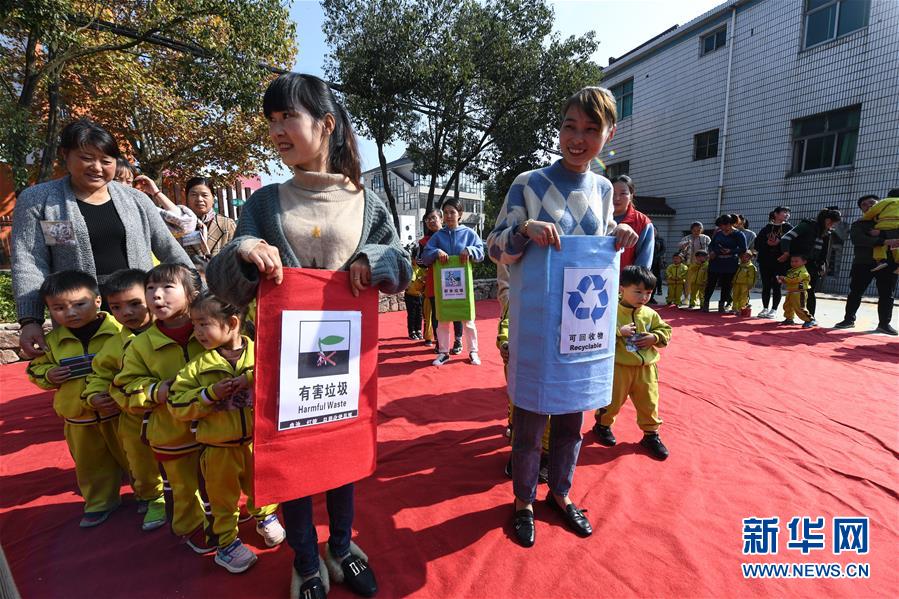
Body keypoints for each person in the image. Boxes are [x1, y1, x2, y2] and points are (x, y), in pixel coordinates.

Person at [206, 72, 410, 599]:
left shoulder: (365, 202)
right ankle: (305, 560)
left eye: (287, 117)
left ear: (326, 124)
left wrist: (376, 258)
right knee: (291, 460)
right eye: (271, 120)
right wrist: (245, 252)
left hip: (346, 359)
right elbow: (223, 279)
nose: (276, 130)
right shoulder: (265, 203)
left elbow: (401, 265)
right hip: (284, 359)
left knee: (340, 452)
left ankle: (341, 548)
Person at [487, 86, 638, 548]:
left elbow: (596, 245)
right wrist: (523, 230)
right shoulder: (527, 183)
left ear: (609, 134)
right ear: (558, 129)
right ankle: (523, 501)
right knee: (531, 423)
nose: (578, 137)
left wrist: (620, 232)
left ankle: (562, 492)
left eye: (591, 129)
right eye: (570, 126)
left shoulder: (602, 188)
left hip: (582, 331)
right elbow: (494, 246)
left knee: (572, 424)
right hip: (537, 324)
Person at [12, 118, 194, 358]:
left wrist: (195, 292)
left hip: (138, 310)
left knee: (145, 377)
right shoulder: (38, 200)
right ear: (65, 155)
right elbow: (29, 262)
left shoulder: (136, 200)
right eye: (87, 158)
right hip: (79, 317)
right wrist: (30, 319)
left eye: (106, 161)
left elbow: (169, 250)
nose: (97, 167)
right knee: (90, 386)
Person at [169, 292, 284, 574]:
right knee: (222, 499)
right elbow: (176, 403)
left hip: (257, 443)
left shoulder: (262, 353)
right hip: (218, 449)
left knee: (264, 485)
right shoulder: (197, 367)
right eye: (194, 325)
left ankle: (265, 516)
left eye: (202, 324)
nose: (196, 333)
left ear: (232, 322)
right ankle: (226, 543)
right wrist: (208, 395)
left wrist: (252, 379)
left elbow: (281, 383)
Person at [114, 264, 213, 554]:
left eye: (167, 287)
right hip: (171, 434)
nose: (157, 296)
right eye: (150, 289)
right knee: (181, 487)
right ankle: (190, 528)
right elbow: (123, 388)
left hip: (215, 430)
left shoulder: (209, 333)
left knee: (218, 480)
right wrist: (159, 391)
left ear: (192, 295)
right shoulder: (140, 345)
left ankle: (224, 523)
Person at [26, 270, 128, 527]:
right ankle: (99, 502)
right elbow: (34, 370)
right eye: (59, 308)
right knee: (89, 462)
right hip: (78, 417)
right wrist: (50, 374)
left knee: (134, 455)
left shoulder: (119, 333)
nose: (70, 313)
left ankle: (150, 496)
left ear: (97, 301)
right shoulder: (53, 342)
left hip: (118, 412)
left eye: (78, 304)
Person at [83, 268, 166, 532]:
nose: (126, 313)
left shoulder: (170, 333)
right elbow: (100, 373)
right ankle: (153, 499)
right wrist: (94, 395)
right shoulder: (113, 345)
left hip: (174, 414)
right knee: (140, 463)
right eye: (116, 307)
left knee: (184, 461)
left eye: (134, 304)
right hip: (134, 418)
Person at [594, 266, 673, 460]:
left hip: (646, 369)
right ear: (621, 288)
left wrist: (654, 337)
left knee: (649, 402)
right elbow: (598, 333)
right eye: (638, 291)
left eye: (648, 293)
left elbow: (665, 330)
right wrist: (619, 331)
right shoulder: (609, 310)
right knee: (612, 401)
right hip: (619, 367)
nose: (643, 297)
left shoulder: (649, 314)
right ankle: (602, 425)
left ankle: (651, 435)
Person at [419, 197, 485, 367]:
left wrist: (469, 250)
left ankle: (473, 351)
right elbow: (425, 256)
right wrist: (436, 252)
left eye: (452, 212)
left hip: (464, 286)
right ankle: (443, 352)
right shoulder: (437, 236)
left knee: (468, 320)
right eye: (446, 212)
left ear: (460, 214)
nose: (448, 216)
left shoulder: (469, 234)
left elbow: (481, 253)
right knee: (443, 320)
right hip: (444, 287)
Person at [834, 195, 899, 335]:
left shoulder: (893, 221)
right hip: (863, 262)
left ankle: (884, 324)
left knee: (887, 294)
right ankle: (848, 320)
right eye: (864, 205)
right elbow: (859, 240)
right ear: (862, 210)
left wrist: (881, 234)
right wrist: (885, 241)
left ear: (880, 205)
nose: (868, 206)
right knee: (856, 292)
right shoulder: (859, 224)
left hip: (888, 263)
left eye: (872, 203)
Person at [778, 208, 842, 317]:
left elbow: (824, 252)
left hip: (813, 266)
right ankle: (789, 317)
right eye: (831, 222)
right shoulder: (806, 225)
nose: (831, 225)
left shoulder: (827, 233)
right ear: (825, 219)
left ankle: (810, 318)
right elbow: (786, 238)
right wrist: (786, 253)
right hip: (798, 265)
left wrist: (823, 265)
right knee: (794, 291)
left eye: (834, 224)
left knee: (810, 291)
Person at [417, 208, 463, 351]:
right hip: (434, 280)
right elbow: (420, 261)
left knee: (456, 310)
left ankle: (458, 340)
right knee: (437, 314)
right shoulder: (423, 241)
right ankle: (440, 342)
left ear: (441, 219)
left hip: (453, 280)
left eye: (433, 218)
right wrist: (435, 254)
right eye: (427, 219)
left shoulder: (451, 235)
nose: (431, 221)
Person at [131, 173, 199, 240]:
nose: (199, 199)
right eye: (120, 181)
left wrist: (156, 192)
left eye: (128, 181)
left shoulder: (144, 211)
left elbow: (184, 224)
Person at [183, 176, 237, 259]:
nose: (199, 199)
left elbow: (236, 255)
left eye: (204, 195)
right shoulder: (180, 224)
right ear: (186, 197)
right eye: (194, 195)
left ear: (213, 198)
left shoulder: (227, 224)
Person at [702, 214, 747, 312]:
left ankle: (722, 304)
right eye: (720, 226)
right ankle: (705, 303)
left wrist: (730, 251)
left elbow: (743, 248)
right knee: (711, 283)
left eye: (724, 225)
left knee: (726, 285)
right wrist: (712, 252)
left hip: (730, 262)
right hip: (716, 261)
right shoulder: (718, 233)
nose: (722, 227)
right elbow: (711, 245)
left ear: (730, 224)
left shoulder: (738, 234)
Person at [753, 206, 792, 318]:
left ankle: (774, 309)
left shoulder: (789, 228)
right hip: (765, 261)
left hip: (780, 262)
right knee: (766, 285)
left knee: (777, 285)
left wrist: (779, 243)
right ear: (776, 214)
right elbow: (758, 243)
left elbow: (794, 243)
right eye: (784, 212)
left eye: (788, 213)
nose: (787, 214)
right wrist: (767, 243)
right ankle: (765, 308)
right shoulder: (766, 228)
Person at [610, 174, 654, 270]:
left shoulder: (643, 222)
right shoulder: (597, 218)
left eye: (623, 193)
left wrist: (630, 283)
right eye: (612, 193)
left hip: (627, 283)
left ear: (631, 195)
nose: (617, 198)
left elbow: (643, 264)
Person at [863, 190, 899, 274]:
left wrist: (864, 218)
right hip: (897, 226)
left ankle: (881, 261)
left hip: (885, 225)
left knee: (879, 244)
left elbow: (873, 210)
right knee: (896, 245)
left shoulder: (886, 201)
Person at [777, 255, 816, 327]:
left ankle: (809, 320)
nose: (793, 263)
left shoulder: (803, 272)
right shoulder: (791, 271)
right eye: (792, 261)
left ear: (804, 262)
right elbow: (789, 280)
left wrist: (784, 278)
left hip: (799, 292)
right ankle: (789, 319)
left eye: (796, 261)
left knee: (800, 307)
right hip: (791, 291)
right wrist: (782, 280)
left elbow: (795, 280)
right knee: (787, 306)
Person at [678, 221, 711, 299]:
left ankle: (700, 298)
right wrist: (684, 245)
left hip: (703, 264)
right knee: (688, 281)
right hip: (690, 263)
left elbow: (710, 250)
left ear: (702, 230)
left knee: (701, 282)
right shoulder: (686, 238)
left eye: (698, 230)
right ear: (691, 230)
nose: (696, 232)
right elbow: (680, 247)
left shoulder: (706, 238)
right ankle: (686, 297)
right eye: (694, 230)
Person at [731, 251, 758, 315]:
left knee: (743, 297)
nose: (743, 258)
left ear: (750, 258)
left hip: (745, 284)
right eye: (742, 257)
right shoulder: (739, 265)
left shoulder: (751, 267)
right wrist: (733, 281)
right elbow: (736, 274)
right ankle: (734, 308)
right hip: (737, 283)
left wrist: (750, 285)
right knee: (735, 296)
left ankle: (741, 309)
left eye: (746, 257)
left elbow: (751, 277)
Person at [650, 234, 666, 303]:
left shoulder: (660, 240)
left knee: (657, 276)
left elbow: (663, 250)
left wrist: (657, 256)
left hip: (657, 260)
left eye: (654, 230)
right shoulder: (648, 238)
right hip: (649, 260)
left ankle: (659, 289)